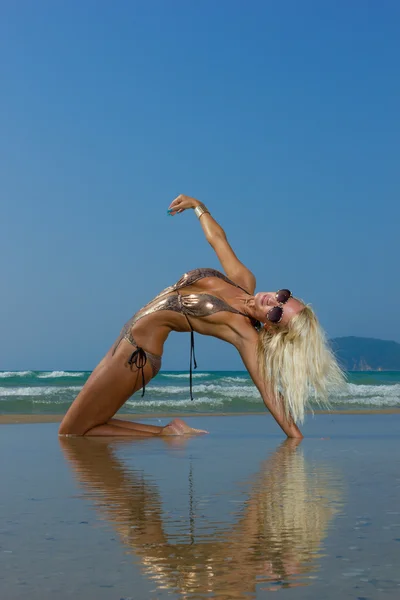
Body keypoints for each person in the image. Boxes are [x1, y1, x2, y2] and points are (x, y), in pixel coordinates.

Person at [58, 195, 343, 438]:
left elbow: (269, 393)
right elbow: (217, 239)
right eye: (283, 296)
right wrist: (198, 205)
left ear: (270, 329)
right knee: (83, 426)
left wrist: (296, 438)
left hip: (137, 357)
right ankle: (169, 432)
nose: (273, 301)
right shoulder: (244, 280)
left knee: (71, 432)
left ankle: (166, 434)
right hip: (125, 338)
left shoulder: (244, 332)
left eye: (277, 312)